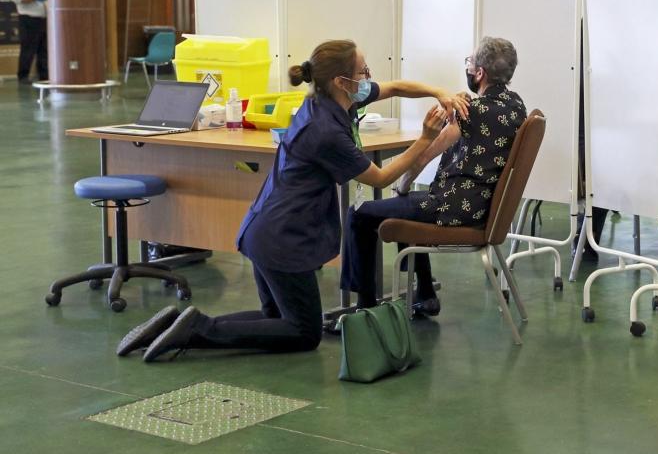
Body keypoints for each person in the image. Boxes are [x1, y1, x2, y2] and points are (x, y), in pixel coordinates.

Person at [117, 39, 469, 362]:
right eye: (363, 71)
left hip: (266, 227)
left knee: (276, 321)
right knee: (304, 332)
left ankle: (183, 323)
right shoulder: (326, 132)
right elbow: (380, 177)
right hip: (283, 237)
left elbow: (394, 87)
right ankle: (195, 330)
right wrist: (425, 139)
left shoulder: (324, 100)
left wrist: (438, 92)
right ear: (341, 82)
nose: (369, 77)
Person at [342, 36, 526, 316]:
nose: (468, 66)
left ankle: (365, 308)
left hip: (454, 207)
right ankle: (425, 292)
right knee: (410, 206)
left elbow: (424, 154)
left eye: (471, 62)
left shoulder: (469, 112)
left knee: (360, 214)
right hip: (483, 206)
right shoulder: (516, 106)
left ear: (479, 73)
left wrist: (401, 187)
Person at [11, 0, 48, 83]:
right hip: (28, 19)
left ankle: (44, 75)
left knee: (43, 49)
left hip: (42, 19)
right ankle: (23, 76)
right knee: (28, 48)